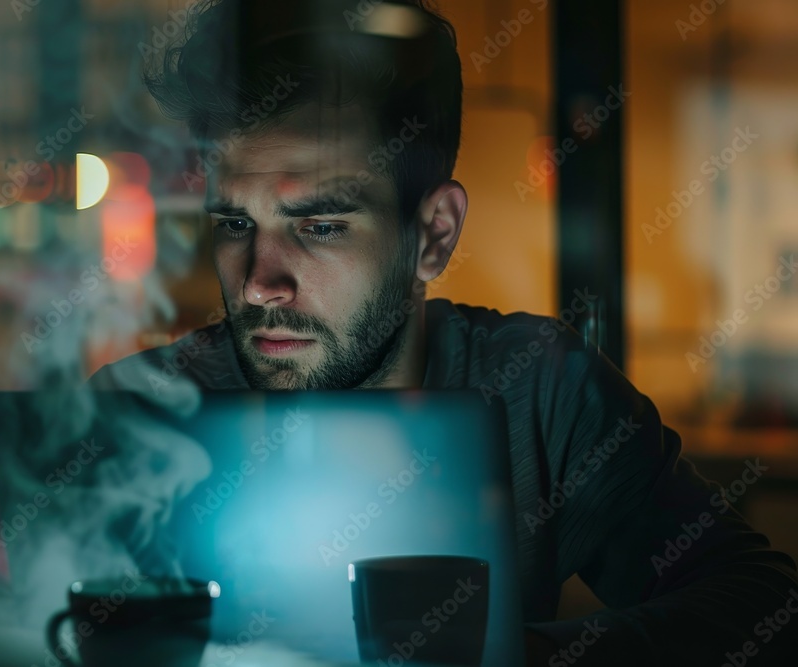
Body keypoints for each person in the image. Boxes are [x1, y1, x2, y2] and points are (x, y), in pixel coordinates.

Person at [89, 1, 798, 664]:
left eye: (321, 226)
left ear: (433, 236)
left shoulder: (539, 387)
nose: (257, 283)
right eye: (235, 224)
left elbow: (762, 599)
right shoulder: (142, 408)